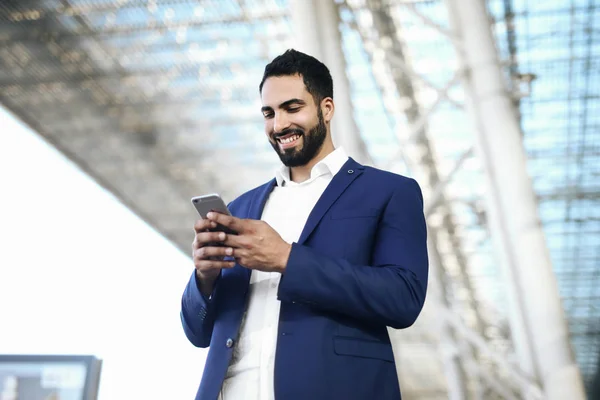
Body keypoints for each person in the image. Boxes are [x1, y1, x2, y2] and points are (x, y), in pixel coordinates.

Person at [180, 49, 428, 400]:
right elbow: (198, 333)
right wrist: (204, 278)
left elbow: (404, 299)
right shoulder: (241, 207)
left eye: (292, 108)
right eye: (269, 113)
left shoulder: (389, 192)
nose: (279, 125)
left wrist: (286, 259)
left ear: (326, 109)